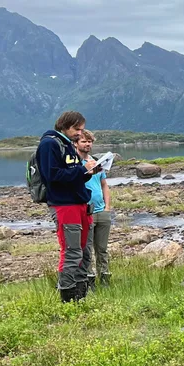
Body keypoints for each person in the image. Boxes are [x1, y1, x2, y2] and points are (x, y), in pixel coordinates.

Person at [36, 111, 101, 302]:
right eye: (77, 129)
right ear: (64, 125)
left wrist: (89, 172)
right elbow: (53, 176)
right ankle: (67, 296)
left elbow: (72, 175)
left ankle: (81, 295)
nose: (80, 134)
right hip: (64, 205)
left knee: (84, 252)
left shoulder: (68, 145)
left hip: (80, 203)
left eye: (81, 129)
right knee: (72, 251)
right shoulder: (49, 144)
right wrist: (82, 170)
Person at [76, 129, 113, 288]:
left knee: (102, 249)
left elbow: (104, 185)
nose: (87, 144)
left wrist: (107, 207)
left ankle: (105, 280)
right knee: (86, 250)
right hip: (86, 211)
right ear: (76, 143)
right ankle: (89, 281)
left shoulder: (96, 162)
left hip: (101, 211)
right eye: (84, 141)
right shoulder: (75, 164)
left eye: (90, 141)